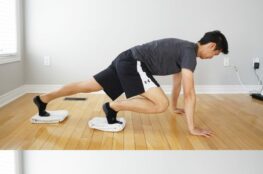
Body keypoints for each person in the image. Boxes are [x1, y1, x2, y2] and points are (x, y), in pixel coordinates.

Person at [33, 30, 228, 137]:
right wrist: (192, 128)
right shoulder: (189, 53)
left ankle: (43, 99)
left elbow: (178, 83)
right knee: (161, 104)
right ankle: (112, 107)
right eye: (215, 53)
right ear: (211, 46)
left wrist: (176, 106)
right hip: (133, 63)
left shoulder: (184, 51)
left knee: (88, 86)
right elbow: (190, 92)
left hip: (126, 58)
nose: (212, 57)